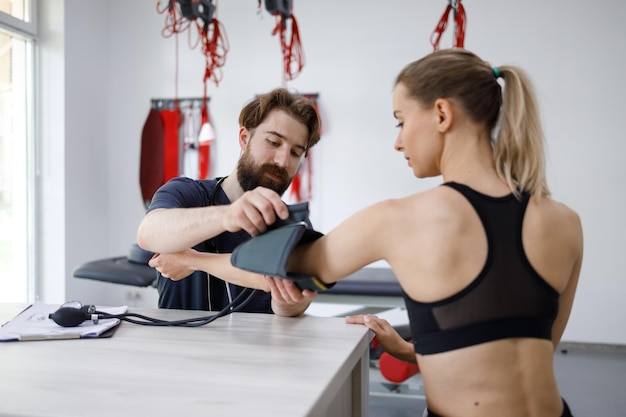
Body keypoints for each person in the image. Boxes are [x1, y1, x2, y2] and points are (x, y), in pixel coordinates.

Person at [207, 49, 583, 416]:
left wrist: (191, 258)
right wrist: (410, 350)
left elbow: (276, 264)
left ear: (441, 114)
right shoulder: (565, 222)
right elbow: (531, 350)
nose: (398, 141)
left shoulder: (400, 220)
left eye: (400, 121)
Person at [136, 87, 322, 317]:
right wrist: (229, 215)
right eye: (274, 142)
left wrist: (289, 300)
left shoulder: (294, 226)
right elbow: (148, 233)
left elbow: (290, 305)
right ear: (244, 138)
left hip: (259, 351)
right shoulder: (186, 193)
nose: (283, 160)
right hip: (180, 347)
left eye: (295, 153)